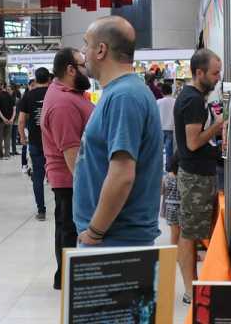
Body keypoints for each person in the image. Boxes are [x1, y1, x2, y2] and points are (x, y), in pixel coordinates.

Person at [74, 16, 163, 248]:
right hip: (113, 237)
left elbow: (122, 175)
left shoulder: (124, 96)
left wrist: (94, 232)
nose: (83, 52)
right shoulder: (121, 93)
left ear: (101, 50)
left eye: (86, 44)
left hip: (115, 240)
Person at [175, 48, 226, 304]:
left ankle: (193, 285)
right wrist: (218, 126)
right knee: (190, 233)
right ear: (199, 72)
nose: (218, 78)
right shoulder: (193, 100)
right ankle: (189, 289)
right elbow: (193, 142)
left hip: (199, 173)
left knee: (193, 231)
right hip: (195, 175)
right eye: (215, 73)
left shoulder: (195, 97)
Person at [42, 48, 94, 289]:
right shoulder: (63, 103)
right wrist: (88, 187)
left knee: (66, 226)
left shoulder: (71, 93)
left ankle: (66, 276)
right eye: (83, 65)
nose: (88, 69)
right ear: (70, 70)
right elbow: (71, 154)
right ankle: (67, 278)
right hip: (71, 179)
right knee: (70, 229)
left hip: (70, 179)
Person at [19, 68, 50, 221]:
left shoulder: (28, 95)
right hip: (54, 143)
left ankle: (41, 210)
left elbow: (21, 120)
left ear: (36, 79)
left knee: (38, 176)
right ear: (49, 79)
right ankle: (63, 210)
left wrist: (22, 138)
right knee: (59, 176)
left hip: (36, 142)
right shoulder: (54, 93)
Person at [157, 83, 176, 172]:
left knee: (159, 150)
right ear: (171, 91)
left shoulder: (158, 102)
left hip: (160, 128)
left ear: (162, 92)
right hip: (171, 128)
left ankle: (158, 169)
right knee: (169, 151)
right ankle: (169, 168)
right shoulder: (175, 101)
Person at [0, 84, 15, 159]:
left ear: (2, 87)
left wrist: (3, 118)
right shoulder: (10, 97)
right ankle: (7, 155)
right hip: (9, 120)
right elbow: (14, 109)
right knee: (7, 138)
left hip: (0, 121)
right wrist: (12, 119)